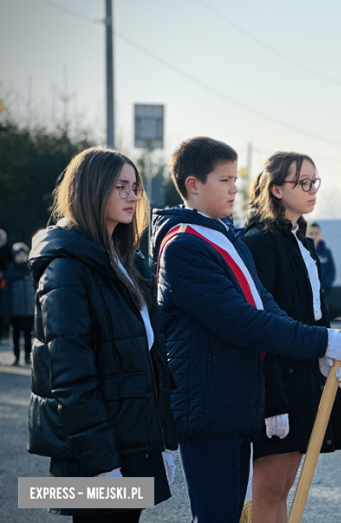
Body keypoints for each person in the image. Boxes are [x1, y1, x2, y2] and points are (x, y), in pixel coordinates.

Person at [151, 137, 341, 523]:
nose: (234, 188)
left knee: (232, 510)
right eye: (224, 180)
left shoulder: (224, 236)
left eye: (235, 179)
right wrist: (321, 340)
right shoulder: (185, 245)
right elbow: (241, 320)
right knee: (222, 514)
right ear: (193, 185)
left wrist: (320, 350)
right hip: (210, 403)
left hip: (233, 401)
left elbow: (268, 306)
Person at [27, 148, 178, 523]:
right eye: (121, 187)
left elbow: (150, 359)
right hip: (96, 455)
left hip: (133, 444)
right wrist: (102, 464)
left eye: (135, 187)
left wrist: (163, 443)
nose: (133, 196)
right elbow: (71, 377)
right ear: (93, 190)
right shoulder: (65, 268)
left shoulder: (129, 261)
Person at [242, 152, 341, 523]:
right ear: (275, 189)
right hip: (278, 385)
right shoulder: (257, 243)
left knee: (286, 490)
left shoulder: (302, 242)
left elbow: (312, 315)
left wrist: (327, 356)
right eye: (302, 182)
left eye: (314, 181)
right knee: (267, 494)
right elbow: (260, 326)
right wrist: (273, 401)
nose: (311, 189)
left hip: (305, 379)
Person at [5, 242, 34, 365]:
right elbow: (6, 292)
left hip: (30, 310)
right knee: (15, 334)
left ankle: (28, 356)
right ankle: (16, 356)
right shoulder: (10, 271)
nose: (21, 257)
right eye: (19, 255)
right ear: (15, 257)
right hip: (15, 311)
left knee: (29, 335)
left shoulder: (31, 270)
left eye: (24, 255)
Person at [306, 221, 336, 317]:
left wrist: (324, 286)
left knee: (323, 314)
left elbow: (331, 271)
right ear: (306, 234)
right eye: (311, 233)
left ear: (320, 235)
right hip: (308, 290)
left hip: (323, 291)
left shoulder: (326, 252)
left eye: (316, 233)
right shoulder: (303, 251)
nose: (314, 236)